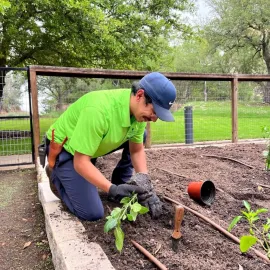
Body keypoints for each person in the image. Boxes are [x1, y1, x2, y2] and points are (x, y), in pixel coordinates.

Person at [45, 72, 176, 221]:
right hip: (66, 150)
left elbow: (137, 149)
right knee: (92, 212)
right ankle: (55, 174)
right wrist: (111, 189)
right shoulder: (99, 111)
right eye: (154, 112)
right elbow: (80, 162)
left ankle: (121, 183)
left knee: (142, 136)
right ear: (139, 95)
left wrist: (146, 187)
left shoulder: (138, 114)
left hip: (89, 146)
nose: (154, 119)